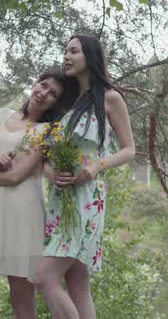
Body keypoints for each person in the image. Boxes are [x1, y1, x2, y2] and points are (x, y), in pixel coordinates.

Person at [34, 34, 135, 319]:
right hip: (57, 199)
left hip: (87, 199)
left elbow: (129, 150)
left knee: (44, 278)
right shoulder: (64, 101)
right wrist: (49, 171)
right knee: (77, 284)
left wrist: (97, 166)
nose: (66, 56)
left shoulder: (111, 99)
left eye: (73, 51)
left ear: (89, 56)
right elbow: (42, 153)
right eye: (64, 51)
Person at [0, 68, 76, 319]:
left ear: (56, 103)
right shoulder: (1, 117)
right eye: (43, 85)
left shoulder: (46, 131)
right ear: (35, 83)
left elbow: (17, 176)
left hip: (22, 216)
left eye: (53, 94)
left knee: (22, 305)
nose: (44, 93)